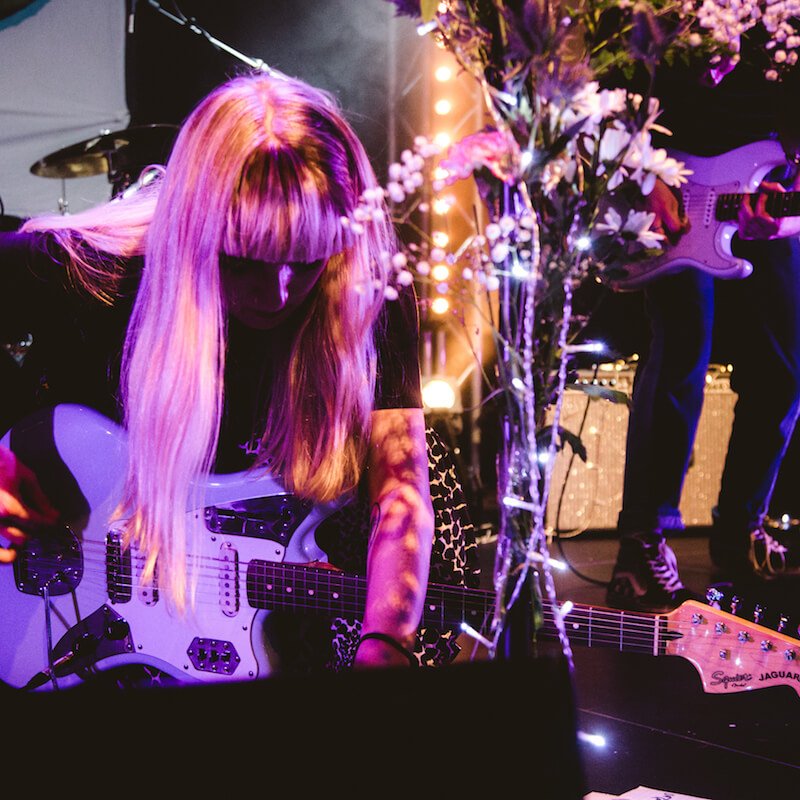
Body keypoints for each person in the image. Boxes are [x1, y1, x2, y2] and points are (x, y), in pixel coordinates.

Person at [0, 69, 460, 677]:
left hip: (285, 584)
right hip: (84, 611)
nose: (277, 291)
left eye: (307, 260)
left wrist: (387, 645)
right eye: (241, 262)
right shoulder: (98, 274)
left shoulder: (368, 291)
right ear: (191, 232)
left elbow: (402, 494)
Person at [605, 36, 800, 614]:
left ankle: (740, 527)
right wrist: (639, 172)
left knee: (787, 365)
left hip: (764, 176)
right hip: (666, 174)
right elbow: (601, 82)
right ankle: (641, 540)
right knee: (683, 344)